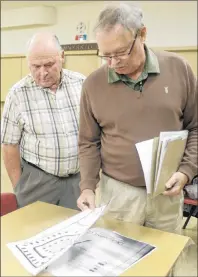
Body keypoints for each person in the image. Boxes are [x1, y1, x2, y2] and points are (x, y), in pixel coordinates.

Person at [77, 3, 197, 234]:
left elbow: (196, 127)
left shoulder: (179, 69)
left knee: (165, 262)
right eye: (106, 55)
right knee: (118, 262)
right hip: (118, 195)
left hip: (167, 192)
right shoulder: (93, 84)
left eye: (120, 52)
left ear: (142, 34)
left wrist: (186, 171)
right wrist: (88, 187)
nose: (113, 63)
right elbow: (88, 142)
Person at [1, 32, 85, 209]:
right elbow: (9, 145)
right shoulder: (17, 94)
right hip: (37, 182)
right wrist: (20, 186)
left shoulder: (82, 85)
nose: (42, 72)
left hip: (76, 181)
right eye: (35, 66)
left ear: (62, 57)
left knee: (74, 232)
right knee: (34, 232)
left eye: (49, 64)